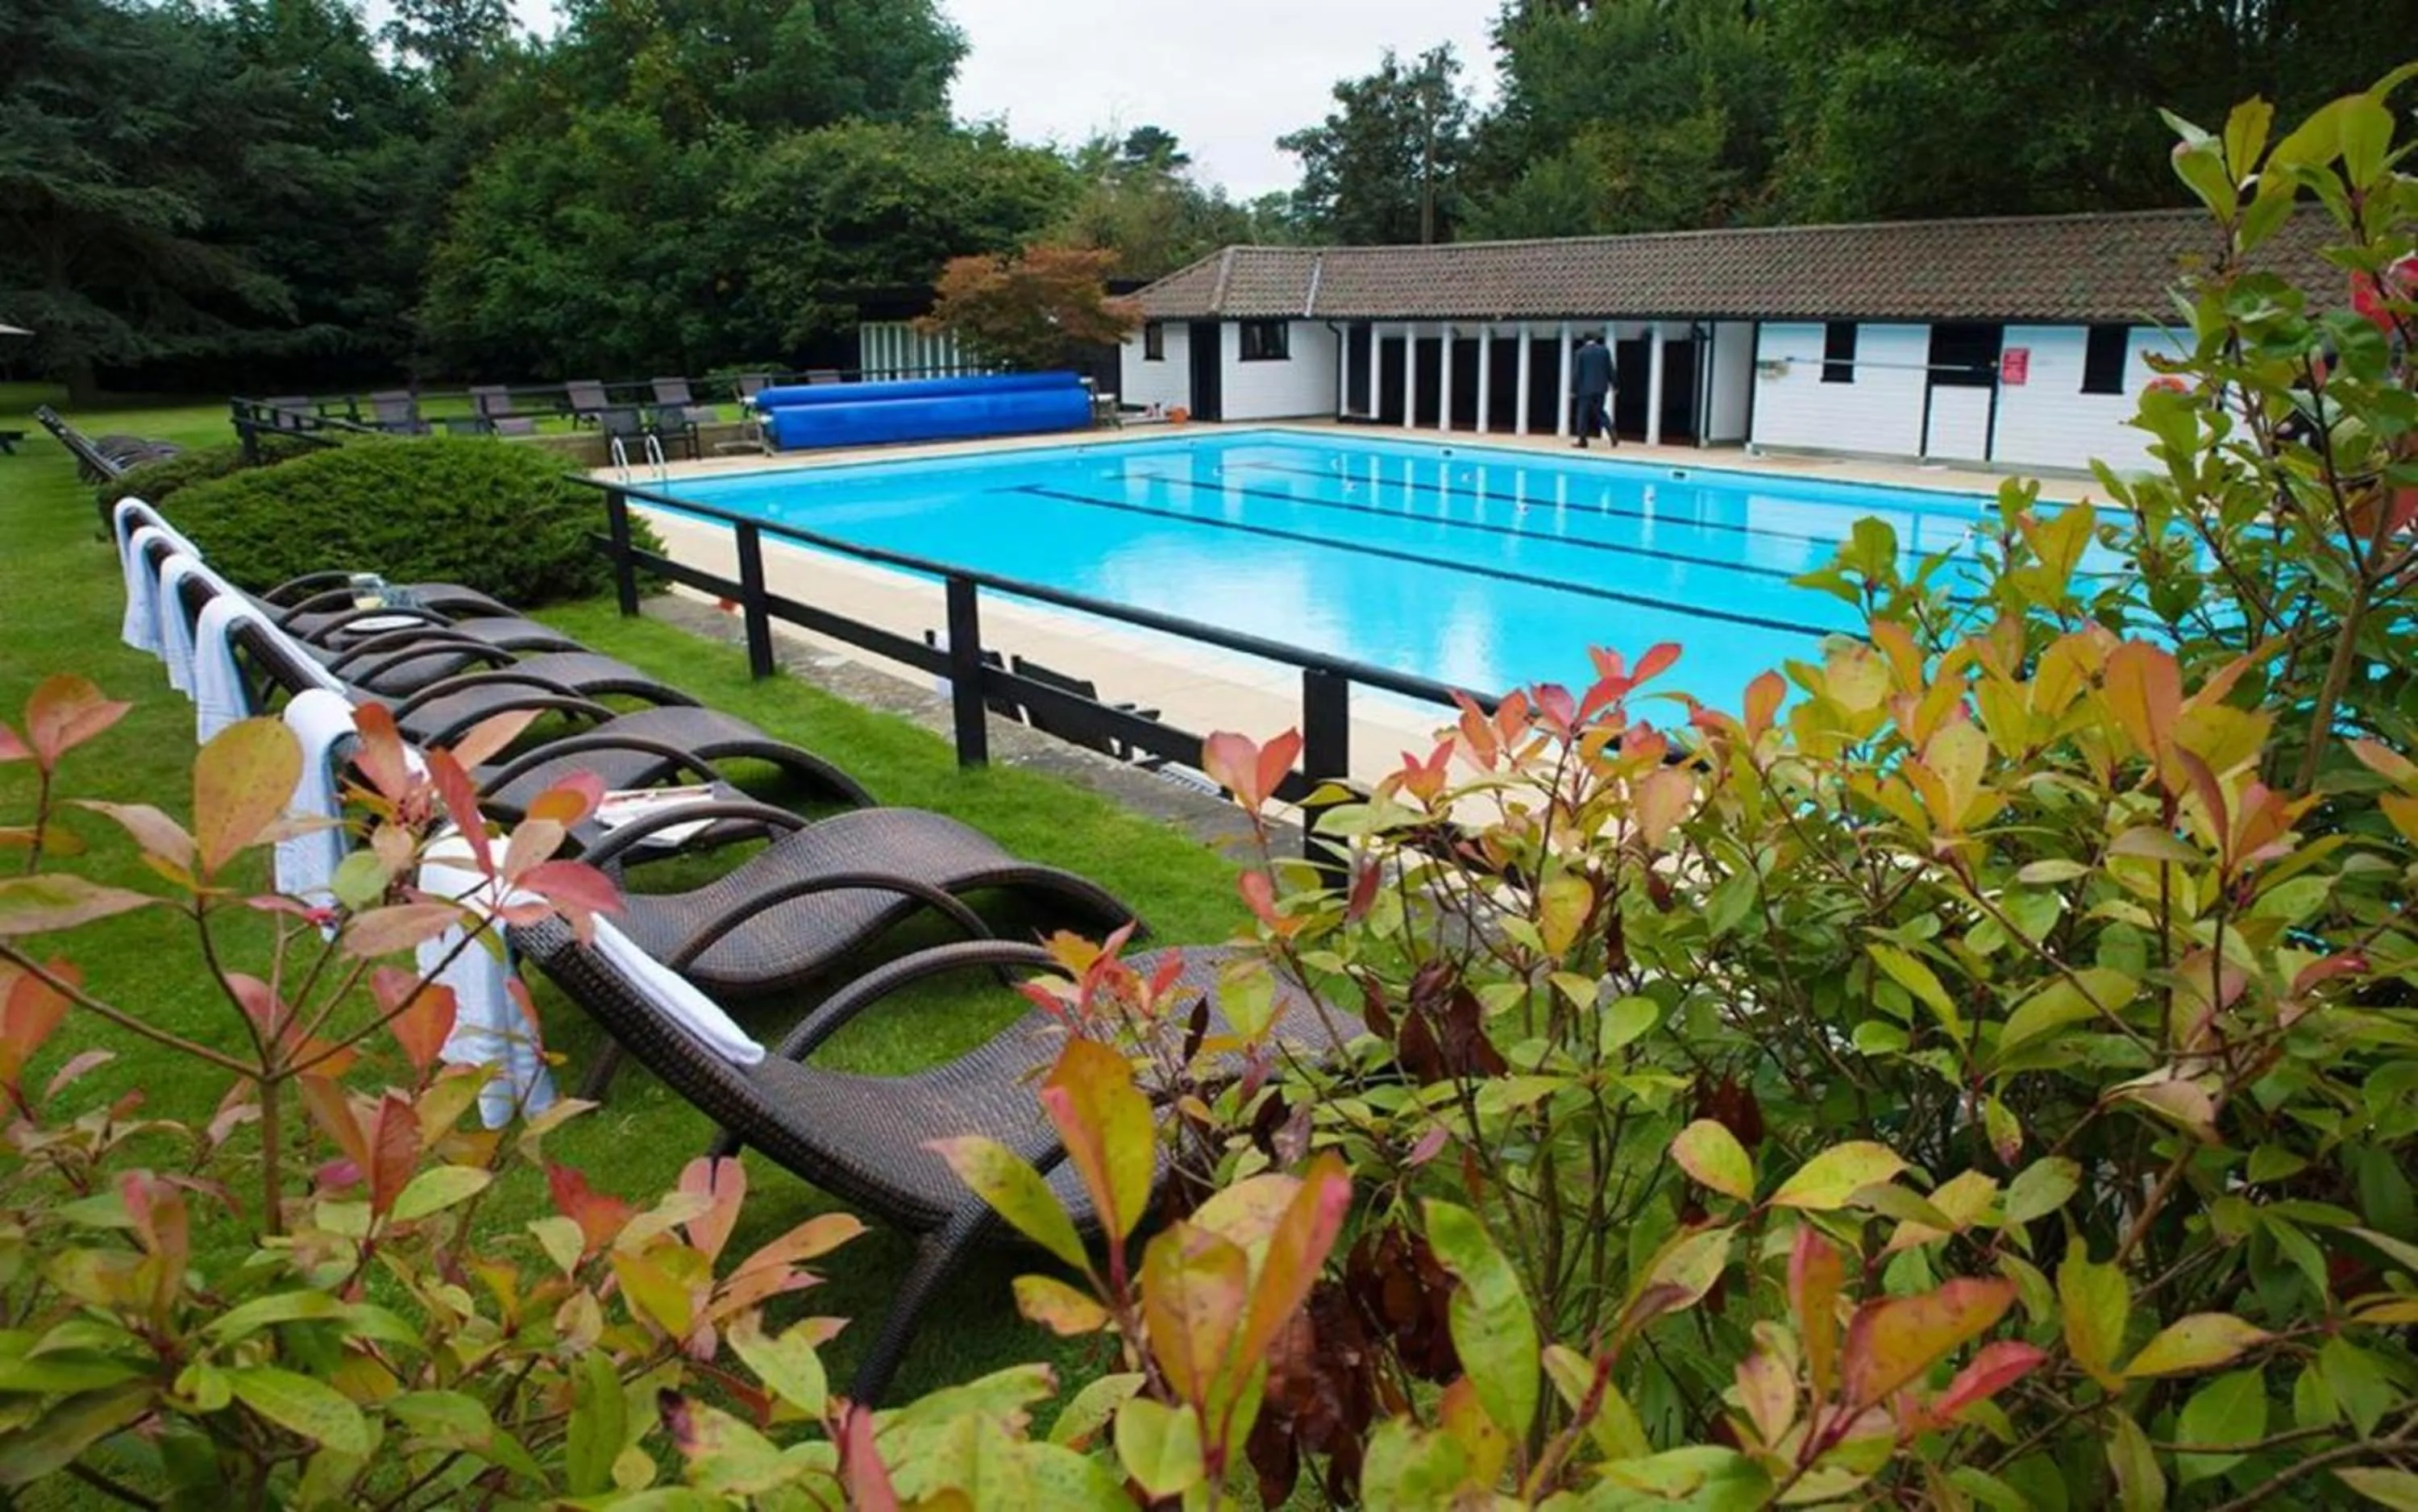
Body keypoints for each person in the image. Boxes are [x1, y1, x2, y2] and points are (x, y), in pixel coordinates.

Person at [1571, 334, 1615, 448]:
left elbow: (1577, 373)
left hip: (1585, 390)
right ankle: (1612, 432)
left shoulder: (1580, 352)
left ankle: (1583, 441)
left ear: (1585, 341)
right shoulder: (1604, 351)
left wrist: (1573, 389)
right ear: (1595, 340)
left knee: (1582, 415)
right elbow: (1610, 369)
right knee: (1600, 412)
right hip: (1601, 388)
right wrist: (1615, 385)